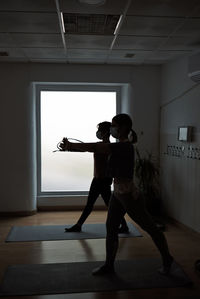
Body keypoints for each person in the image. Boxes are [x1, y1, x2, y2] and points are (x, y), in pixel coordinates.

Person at [60, 114, 173, 275]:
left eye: (114, 125)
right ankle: (109, 265)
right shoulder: (119, 145)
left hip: (128, 195)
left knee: (150, 228)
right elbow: (98, 148)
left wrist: (71, 145)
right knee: (111, 227)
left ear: (123, 127)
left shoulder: (125, 146)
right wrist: (71, 147)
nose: (112, 128)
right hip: (118, 193)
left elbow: (97, 147)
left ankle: (167, 259)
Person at [64, 121, 129, 233]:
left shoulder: (106, 146)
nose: (98, 132)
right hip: (100, 180)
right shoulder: (102, 145)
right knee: (105, 205)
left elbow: (89, 147)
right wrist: (68, 147)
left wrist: (70, 145)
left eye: (100, 130)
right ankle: (123, 225)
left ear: (105, 132)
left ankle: (79, 225)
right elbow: (86, 148)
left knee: (98, 205)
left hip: (102, 181)